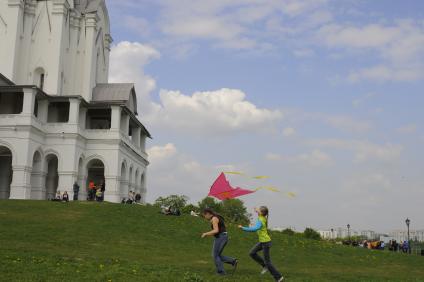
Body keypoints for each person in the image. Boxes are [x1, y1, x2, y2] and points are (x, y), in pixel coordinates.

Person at [239, 206, 284, 282]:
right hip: (263, 241)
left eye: (259, 210)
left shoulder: (261, 219)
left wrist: (243, 227)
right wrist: (256, 209)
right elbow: (259, 218)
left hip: (265, 242)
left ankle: (279, 277)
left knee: (268, 262)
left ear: (261, 213)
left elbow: (255, 229)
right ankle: (265, 266)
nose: (257, 210)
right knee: (252, 253)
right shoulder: (262, 217)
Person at [201, 208, 238, 276]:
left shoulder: (214, 218)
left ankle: (221, 272)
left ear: (208, 214)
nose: (205, 217)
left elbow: (216, 230)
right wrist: (207, 234)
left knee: (215, 255)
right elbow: (216, 231)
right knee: (216, 255)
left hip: (221, 237)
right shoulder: (216, 217)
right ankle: (233, 261)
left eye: (204, 215)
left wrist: (206, 233)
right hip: (222, 237)